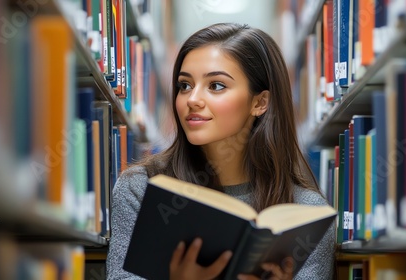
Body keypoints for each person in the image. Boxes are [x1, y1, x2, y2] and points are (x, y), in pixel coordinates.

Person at [106, 23, 335, 280]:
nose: (192, 99)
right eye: (185, 85)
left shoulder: (305, 214)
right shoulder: (141, 189)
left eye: (216, 85)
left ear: (260, 102)